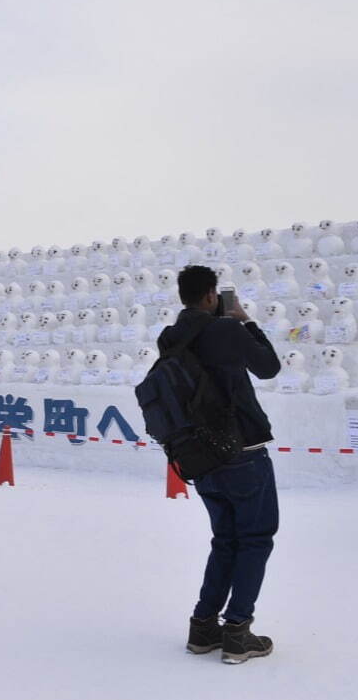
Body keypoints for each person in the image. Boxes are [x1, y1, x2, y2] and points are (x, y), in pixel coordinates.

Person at [157, 265, 281, 665]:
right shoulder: (226, 330)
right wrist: (245, 322)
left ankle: (203, 627)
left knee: (224, 540)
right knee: (255, 539)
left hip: (201, 455)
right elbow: (268, 367)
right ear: (212, 295)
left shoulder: (170, 337)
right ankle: (238, 632)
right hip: (242, 449)